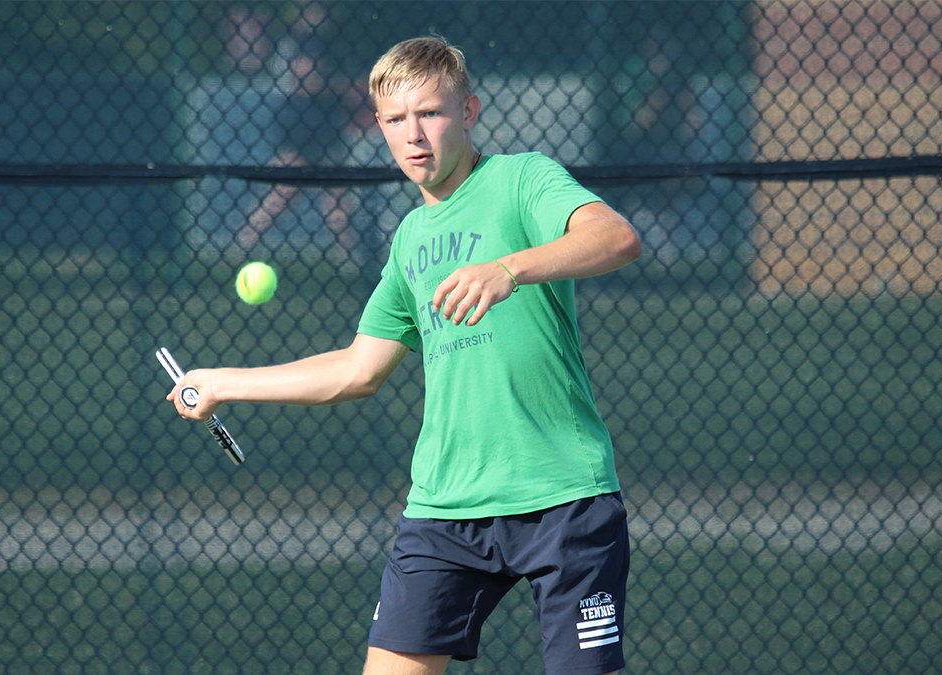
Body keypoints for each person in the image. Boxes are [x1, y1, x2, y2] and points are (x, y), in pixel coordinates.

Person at [169, 36, 642, 675]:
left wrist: (508, 268)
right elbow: (357, 370)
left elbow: (615, 237)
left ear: (469, 112)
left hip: (563, 498)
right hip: (443, 507)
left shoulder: (521, 177)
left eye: (431, 113)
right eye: (395, 120)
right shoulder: (409, 239)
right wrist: (223, 382)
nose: (413, 134)